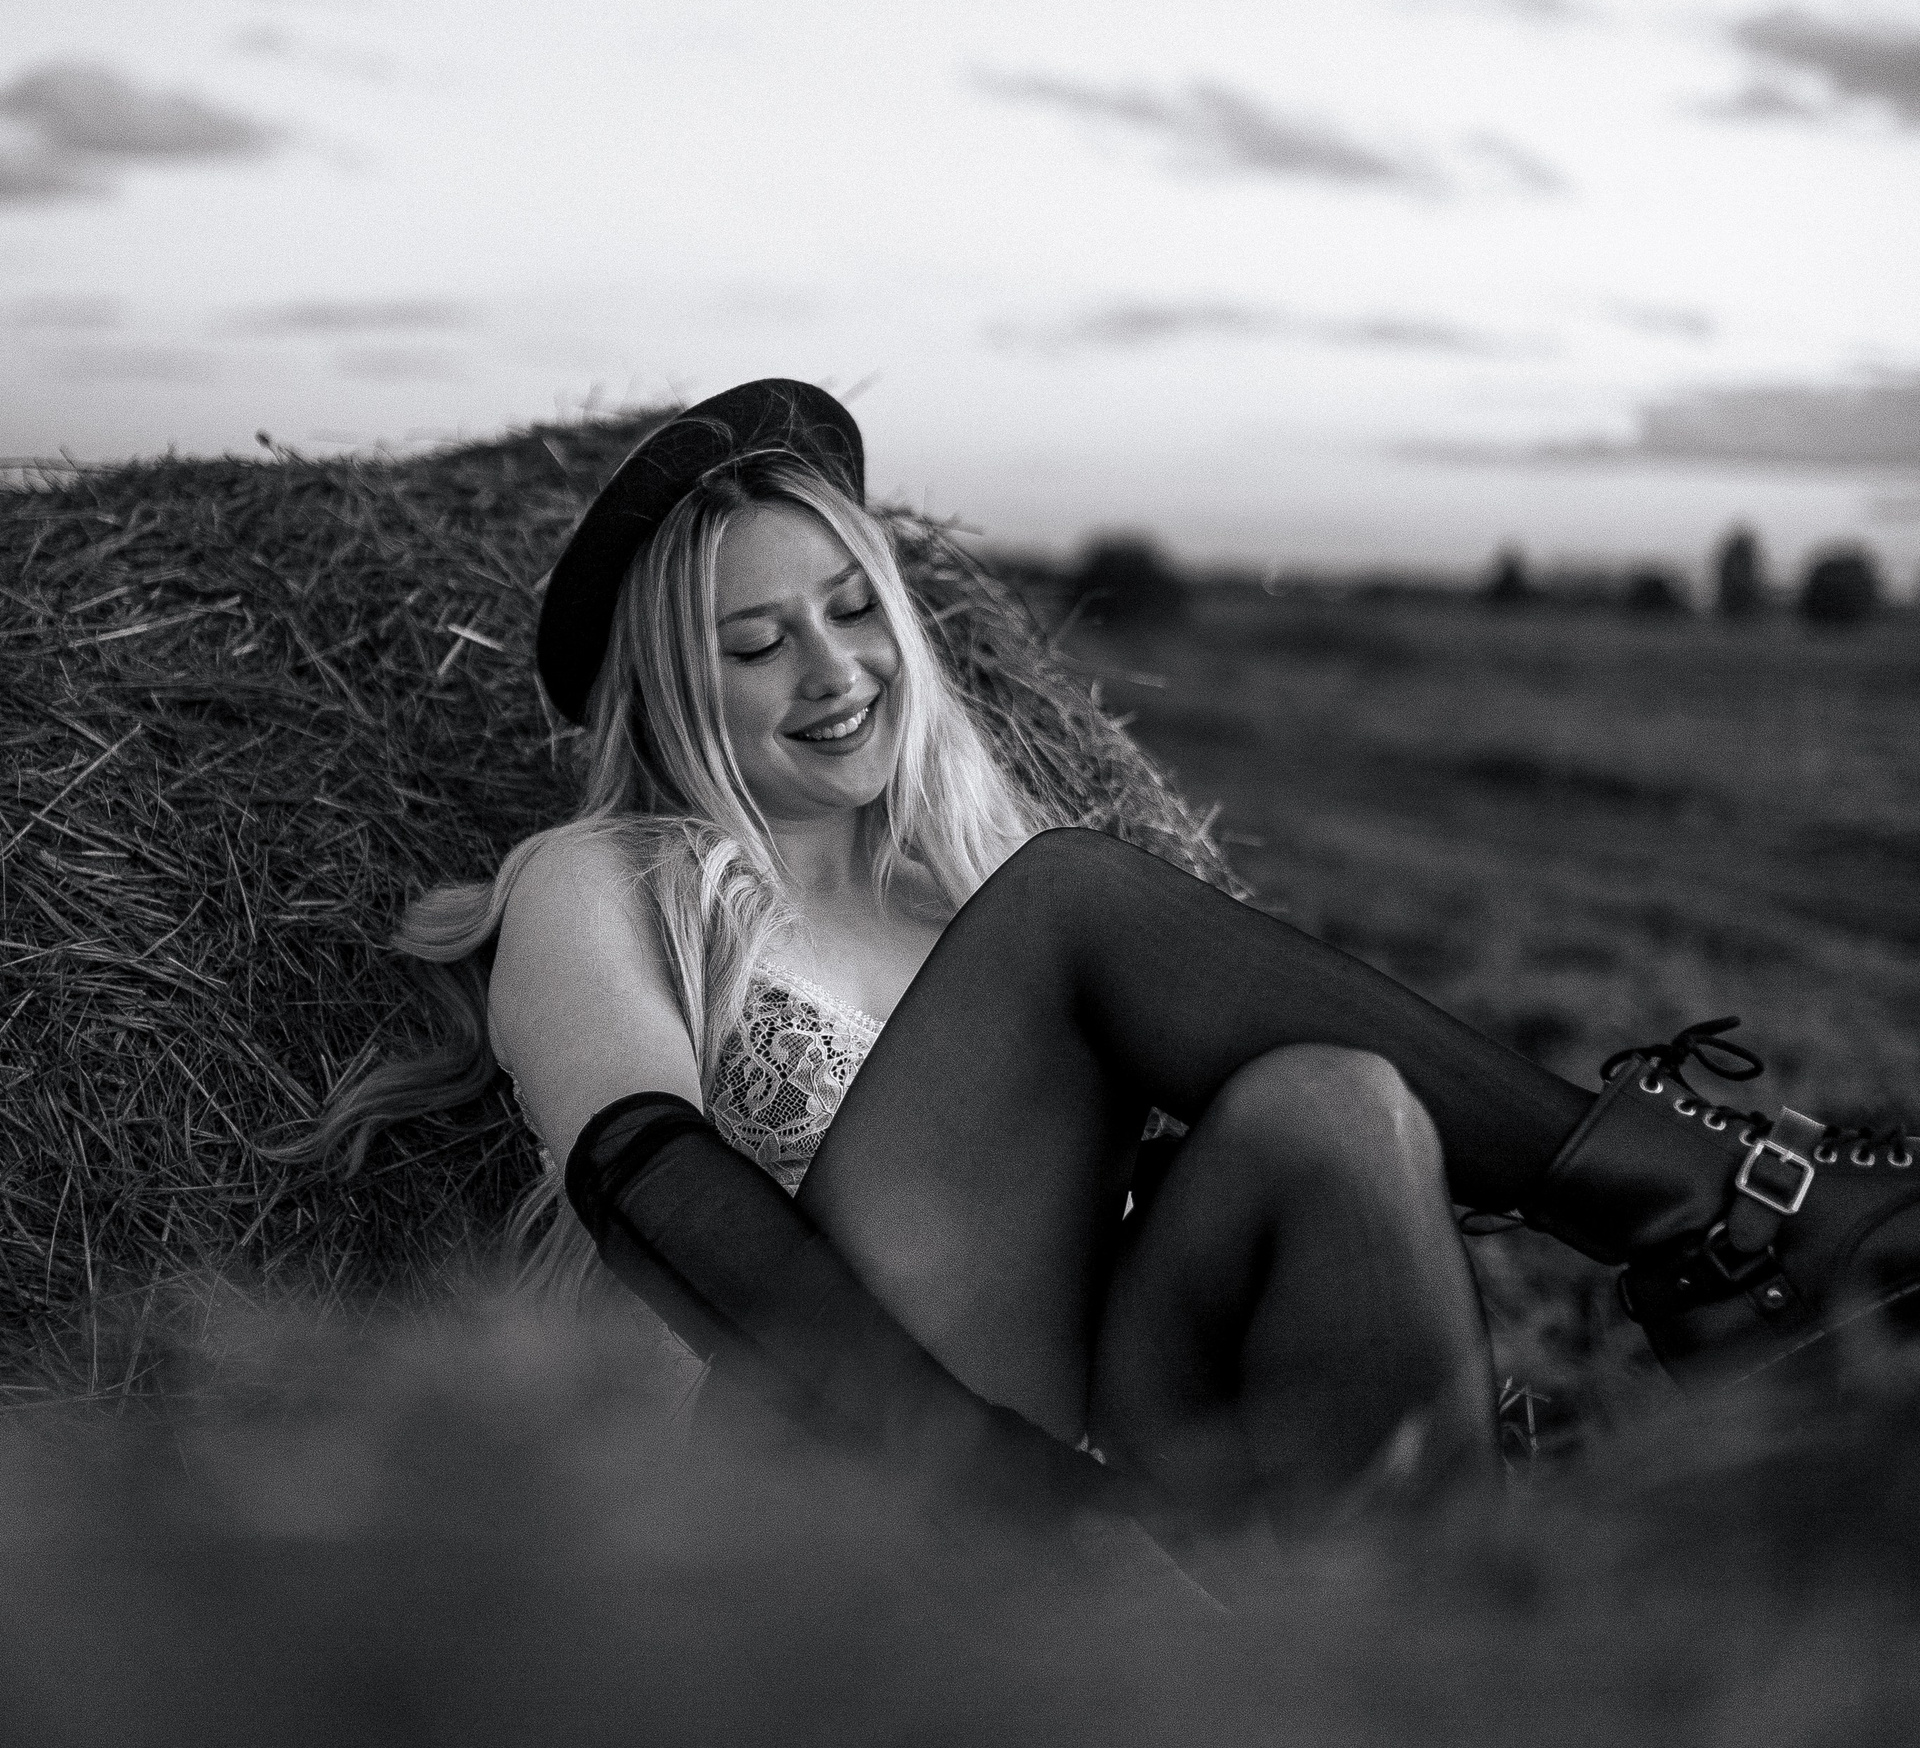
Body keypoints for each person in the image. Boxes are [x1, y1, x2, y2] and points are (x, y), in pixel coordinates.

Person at [324, 380, 1920, 1540]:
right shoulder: (598, 882)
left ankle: (1438, 1650)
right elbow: (645, 1185)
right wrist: (1005, 1488)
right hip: (833, 1478)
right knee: (1076, 892)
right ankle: (1710, 1211)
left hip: (1093, 1425)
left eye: (854, 611)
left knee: (1336, 1106)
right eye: (757, 643)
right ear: (674, 691)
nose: (835, 669)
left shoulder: (960, 899)